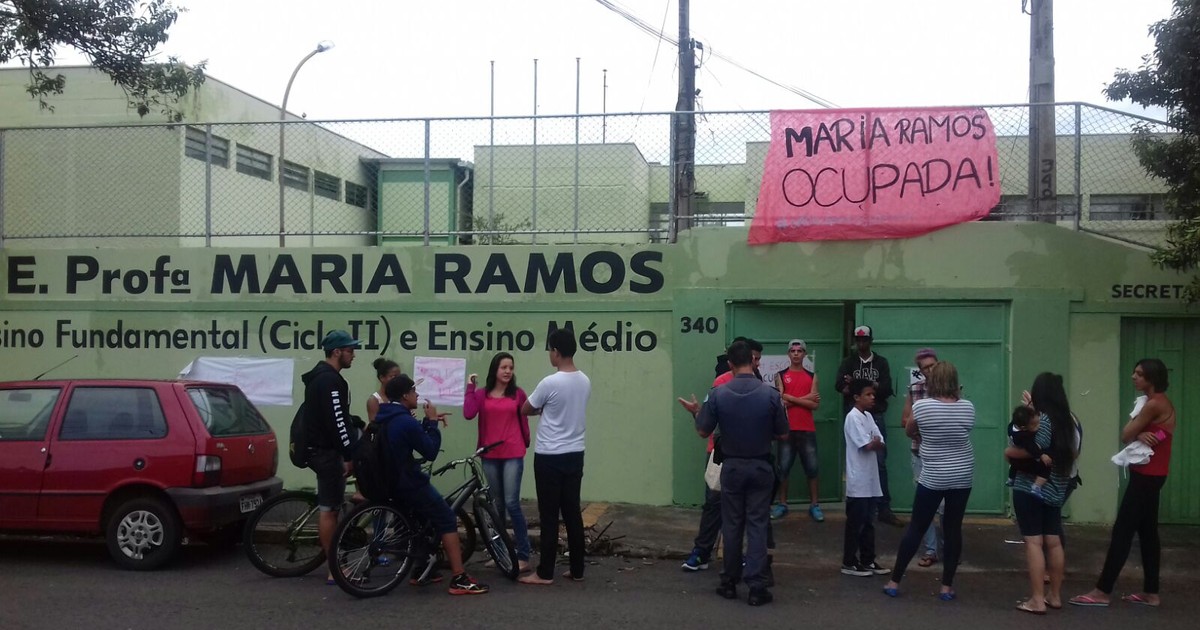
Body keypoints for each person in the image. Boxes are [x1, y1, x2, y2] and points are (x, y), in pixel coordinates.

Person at [1070, 358, 1176, 609]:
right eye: (1134, 372)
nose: (1134, 377)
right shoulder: (1161, 402)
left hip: (1147, 476)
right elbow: (1148, 433)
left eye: (1139, 374)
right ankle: (1151, 592)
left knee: (1122, 532)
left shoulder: (1153, 405)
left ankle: (1102, 591)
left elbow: (1125, 434)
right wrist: (1140, 433)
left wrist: (1136, 432)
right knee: (1148, 533)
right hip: (1153, 474)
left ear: (1151, 378)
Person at [693, 340, 788, 606]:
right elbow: (782, 433)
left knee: (732, 523)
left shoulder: (719, 394)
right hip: (760, 466)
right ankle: (757, 587)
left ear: (731, 365)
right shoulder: (770, 394)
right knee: (757, 525)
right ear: (752, 360)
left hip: (732, 467)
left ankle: (729, 582)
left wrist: (696, 414)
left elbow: (703, 430)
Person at [375, 374, 489, 595]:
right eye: (414, 391)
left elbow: (409, 437)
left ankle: (422, 569)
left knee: (420, 522)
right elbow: (429, 451)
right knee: (446, 518)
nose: (417, 395)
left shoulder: (387, 416)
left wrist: (427, 423)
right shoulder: (405, 420)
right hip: (409, 482)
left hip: (391, 482)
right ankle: (459, 577)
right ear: (405, 395)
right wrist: (432, 423)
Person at [883, 361, 973, 601]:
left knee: (917, 527)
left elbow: (909, 430)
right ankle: (946, 587)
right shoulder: (967, 407)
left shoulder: (922, 406)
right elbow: (964, 429)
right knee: (953, 529)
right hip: (962, 475)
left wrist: (926, 434)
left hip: (933, 475)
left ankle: (894, 581)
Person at [519, 328, 592, 585]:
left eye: (550, 350)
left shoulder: (550, 382)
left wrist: (542, 409)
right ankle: (578, 569)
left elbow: (526, 409)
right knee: (572, 512)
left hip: (550, 455)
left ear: (556, 352)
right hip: (575, 453)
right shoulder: (584, 380)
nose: (550, 354)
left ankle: (545, 572)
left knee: (549, 514)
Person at [1008, 372, 1079, 614]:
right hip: (1057, 486)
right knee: (1054, 541)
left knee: (1033, 542)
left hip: (1031, 487)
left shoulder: (1044, 420)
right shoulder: (1069, 420)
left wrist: (1009, 453)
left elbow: (1032, 449)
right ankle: (1054, 596)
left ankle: (1037, 599)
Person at [299, 330, 361, 585]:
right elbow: (337, 422)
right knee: (329, 510)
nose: (353, 355)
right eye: (350, 350)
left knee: (332, 508)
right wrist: (348, 454)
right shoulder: (330, 381)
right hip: (325, 453)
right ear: (337, 352)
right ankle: (333, 568)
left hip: (320, 448)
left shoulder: (322, 378)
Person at [463, 352, 533, 573]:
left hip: (513, 452)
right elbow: (468, 413)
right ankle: (501, 552)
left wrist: (526, 441)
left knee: (512, 503)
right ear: (495, 369)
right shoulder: (482, 394)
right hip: (490, 455)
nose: (507, 371)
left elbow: (525, 418)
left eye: (511, 367)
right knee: (497, 506)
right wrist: (470, 389)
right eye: (503, 367)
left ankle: (523, 555)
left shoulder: (518, 394)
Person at [836, 325, 902, 526]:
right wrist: (856, 386)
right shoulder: (849, 362)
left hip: (876, 414)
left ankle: (883, 507)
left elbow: (887, 388)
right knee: (858, 459)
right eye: (858, 340)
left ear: (870, 341)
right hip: (855, 414)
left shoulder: (880, 362)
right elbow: (839, 386)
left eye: (865, 340)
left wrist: (862, 383)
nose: (861, 343)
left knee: (879, 461)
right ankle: (860, 505)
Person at [841, 379, 890, 577]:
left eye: (873, 394)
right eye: (868, 394)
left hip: (871, 480)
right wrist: (874, 442)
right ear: (856, 397)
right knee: (856, 522)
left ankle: (868, 559)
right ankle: (849, 561)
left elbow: (880, 441)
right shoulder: (852, 418)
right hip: (858, 480)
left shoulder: (869, 416)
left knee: (869, 522)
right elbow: (868, 445)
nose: (872, 398)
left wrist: (875, 442)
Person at [772, 339, 824, 522]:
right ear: (788, 354)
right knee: (783, 468)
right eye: (792, 350)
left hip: (807, 429)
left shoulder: (812, 376)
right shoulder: (781, 375)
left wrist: (790, 397)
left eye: (799, 350)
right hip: (787, 429)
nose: (796, 353)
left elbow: (815, 404)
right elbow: (780, 402)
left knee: (812, 468)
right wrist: (805, 398)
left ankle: (815, 505)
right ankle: (782, 504)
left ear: (804, 354)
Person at [901, 348, 942, 567]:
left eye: (932, 365)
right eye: (925, 367)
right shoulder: (915, 389)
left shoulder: (951, 389)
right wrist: (922, 428)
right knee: (924, 504)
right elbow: (904, 419)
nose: (929, 370)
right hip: (919, 452)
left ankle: (948, 548)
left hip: (944, 455)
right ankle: (931, 550)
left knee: (946, 505)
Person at [1006, 405, 1052, 500]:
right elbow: (1032, 447)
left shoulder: (1012, 426)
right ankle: (1036, 487)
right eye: (1034, 425)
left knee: (1014, 463)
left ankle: (1011, 478)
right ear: (1023, 428)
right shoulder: (1024, 436)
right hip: (1023, 461)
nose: (1038, 426)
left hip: (1014, 460)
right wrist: (1041, 455)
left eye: (1038, 422)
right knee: (1046, 467)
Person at [366, 357, 400, 422]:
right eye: (394, 377)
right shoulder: (374, 400)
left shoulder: (400, 396)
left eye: (399, 377)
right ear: (382, 378)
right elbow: (374, 425)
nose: (398, 380)